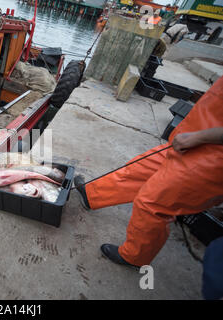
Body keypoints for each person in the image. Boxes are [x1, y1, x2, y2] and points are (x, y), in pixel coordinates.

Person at [74, 76, 223, 268]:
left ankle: (134, 257)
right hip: (189, 140)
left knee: (153, 203)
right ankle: (92, 194)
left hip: (212, 157)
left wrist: (198, 137)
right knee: (138, 170)